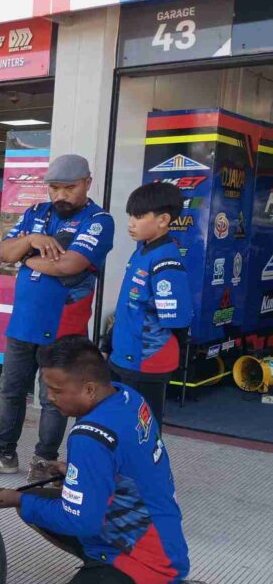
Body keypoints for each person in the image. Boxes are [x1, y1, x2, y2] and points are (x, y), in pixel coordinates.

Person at [0, 337, 220, 584]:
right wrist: (75, 470)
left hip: (143, 556)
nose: (49, 397)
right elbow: (128, 460)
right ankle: (101, 580)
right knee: (39, 503)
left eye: (56, 389)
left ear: (89, 389)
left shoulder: (90, 437)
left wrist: (19, 498)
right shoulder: (127, 397)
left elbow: (80, 522)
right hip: (156, 528)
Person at [0, 154, 114, 482]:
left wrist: (27, 259)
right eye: (55, 188)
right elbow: (5, 252)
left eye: (69, 188)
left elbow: (68, 265)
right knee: (11, 389)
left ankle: (45, 461)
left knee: (53, 398)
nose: (61, 195)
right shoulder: (36, 212)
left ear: (87, 183)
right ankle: (4, 453)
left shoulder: (98, 221)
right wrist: (31, 241)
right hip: (23, 322)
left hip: (63, 326)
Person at [106, 182, 192, 428]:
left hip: (146, 360)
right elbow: (130, 307)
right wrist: (108, 343)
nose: (131, 223)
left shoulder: (166, 261)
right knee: (120, 425)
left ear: (163, 220)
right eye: (130, 216)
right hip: (122, 355)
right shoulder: (141, 251)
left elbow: (177, 321)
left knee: (144, 431)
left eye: (139, 216)